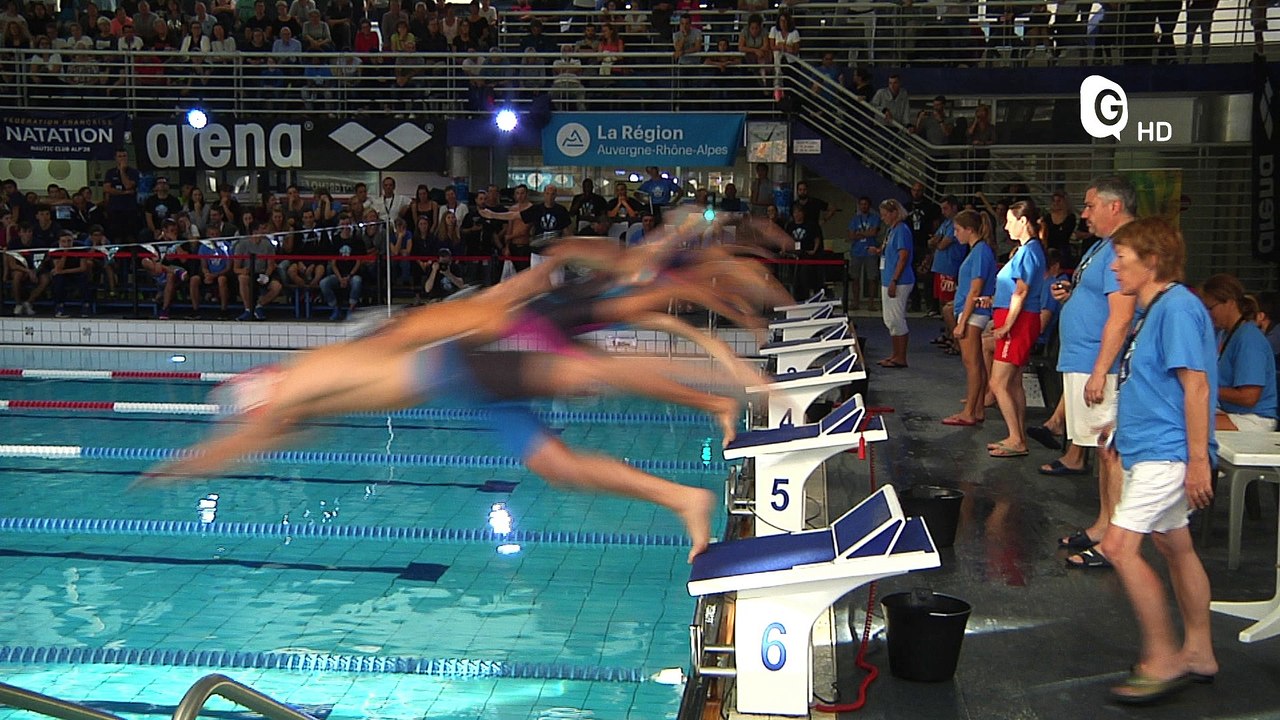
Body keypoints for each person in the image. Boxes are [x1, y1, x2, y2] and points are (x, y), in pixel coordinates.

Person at [139, 241, 785, 561]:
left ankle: (725, 396)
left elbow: (415, 329)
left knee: (590, 370)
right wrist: (183, 465)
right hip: (464, 383)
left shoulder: (311, 375)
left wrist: (498, 310)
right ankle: (685, 498)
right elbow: (251, 439)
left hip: (466, 358)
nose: (265, 427)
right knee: (559, 465)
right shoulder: (299, 395)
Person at [1099, 216, 1218, 705]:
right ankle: (1199, 652)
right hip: (1152, 448)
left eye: (1122, 257)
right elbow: (1152, 382)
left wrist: (1196, 462)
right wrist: (1120, 427)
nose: (1114, 266)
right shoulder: (1156, 310)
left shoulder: (1178, 309)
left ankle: (1164, 656)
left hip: (1166, 457)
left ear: (1151, 261)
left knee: (1118, 547)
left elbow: (1197, 386)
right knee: (1176, 549)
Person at [1051, 176, 1138, 568]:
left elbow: (1120, 318)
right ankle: (1105, 525)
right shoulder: (1103, 247)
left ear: (1114, 206)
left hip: (1098, 364)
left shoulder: (1125, 246)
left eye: (1089, 206)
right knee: (1104, 450)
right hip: (1084, 359)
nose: (1082, 214)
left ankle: (1116, 539)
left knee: (1111, 451)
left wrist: (1101, 371)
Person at [984, 200, 1045, 458]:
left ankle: (1017, 438)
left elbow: (1021, 290)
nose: (1006, 226)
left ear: (1023, 222)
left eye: (1010, 221)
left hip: (1017, 323)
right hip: (1014, 319)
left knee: (998, 382)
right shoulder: (1027, 251)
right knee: (1014, 381)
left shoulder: (1029, 251)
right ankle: (1017, 433)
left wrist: (1007, 325)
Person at [1201, 273, 1277, 431]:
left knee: (1193, 425)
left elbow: (1249, 397)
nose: (1207, 314)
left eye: (1210, 308)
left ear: (1229, 302)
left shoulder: (1249, 339)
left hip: (1255, 419)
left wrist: (1207, 388)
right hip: (1234, 414)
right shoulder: (1226, 334)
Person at [944, 209, 996, 426]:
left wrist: (962, 321)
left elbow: (975, 289)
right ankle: (976, 408)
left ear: (969, 229)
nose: (955, 235)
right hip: (970, 311)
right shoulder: (977, 251)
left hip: (974, 314)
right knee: (974, 363)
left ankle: (970, 411)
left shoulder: (981, 251)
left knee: (972, 363)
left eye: (957, 230)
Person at [868, 198, 913, 368]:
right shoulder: (892, 230)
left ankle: (901, 356)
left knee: (896, 319)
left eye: (885, 214)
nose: (883, 218)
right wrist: (879, 251)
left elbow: (903, 256)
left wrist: (895, 280)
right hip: (888, 279)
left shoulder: (902, 230)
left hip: (898, 281)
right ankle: (895, 354)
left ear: (895, 213)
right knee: (890, 320)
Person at [845, 196, 880, 311]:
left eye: (865, 204)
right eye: (861, 204)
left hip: (870, 251)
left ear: (869, 206)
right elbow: (850, 236)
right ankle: (855, 302)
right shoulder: (854, 219)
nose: (863, 206)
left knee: (872, 278)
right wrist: (866, 233)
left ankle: (871, 303)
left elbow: (874, 232)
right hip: (857, 251)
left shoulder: (875, 218)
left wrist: (859, 233)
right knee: (855, 278)